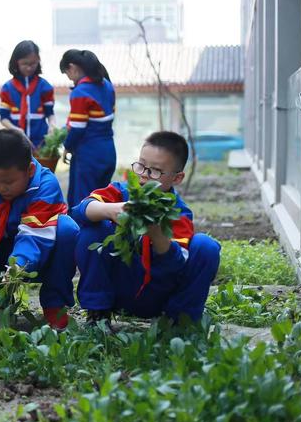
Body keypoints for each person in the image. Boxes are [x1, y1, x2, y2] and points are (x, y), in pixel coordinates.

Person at [73, 131, 221, 324]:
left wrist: (156, 233)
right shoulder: (122, 192)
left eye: (155, 171)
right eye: (141, 166)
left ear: (177, 178)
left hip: (158, 296)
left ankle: (180, 323)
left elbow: (175, 264)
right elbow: (79, 211)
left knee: (206, 247)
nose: (143, 176)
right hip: (119, 290)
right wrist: (111, 210)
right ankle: (98, 313)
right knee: (93, 229)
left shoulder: (178, 213)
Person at [0, 129, 79, 330]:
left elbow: (34, 237)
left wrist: (14, 272)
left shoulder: (45, 185)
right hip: (0, 251)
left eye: (8, 182)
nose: (0, 188)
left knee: (66, 229)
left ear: (30, 171)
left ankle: (54, 303)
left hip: (38, 254)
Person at [60, 49, 116, 207]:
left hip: (88, 155)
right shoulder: (107, 86)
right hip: (108, 151)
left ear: (72, 67)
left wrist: (67, 147)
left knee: (83, 204)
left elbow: (78, 128)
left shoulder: (80, 92)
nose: (69, 78)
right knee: (102, 200)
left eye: (67, 73)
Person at [0, 40, 55, 151]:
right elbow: (3, 118)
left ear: (38, 61)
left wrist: (52, 127)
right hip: (16, 142)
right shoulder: (7, 88)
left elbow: (50, 114)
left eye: (33, 63)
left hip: (41, 143)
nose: (29, 67)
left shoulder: (45, 87)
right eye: (24, 63)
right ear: (16, 62)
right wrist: (15, 130)